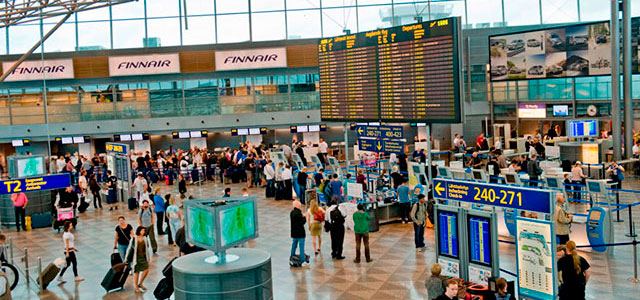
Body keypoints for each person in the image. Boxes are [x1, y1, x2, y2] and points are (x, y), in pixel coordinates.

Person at [125, 226, 152, 293]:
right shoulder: (134, 239)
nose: (143, 232)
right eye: (142, 230)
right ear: (139, 231)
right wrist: (126, 258)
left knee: (146, 270)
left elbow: (147, 249)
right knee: (137, 272)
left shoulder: (145, 238)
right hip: (136, 258)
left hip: (143, 257)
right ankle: (136, 287)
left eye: (144, 231)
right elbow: (129, 249)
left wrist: (148, 258)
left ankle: (140, 283)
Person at [290, 201, 309, 267]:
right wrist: (304, 217)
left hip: (294, 233)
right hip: (300, 234)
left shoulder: (292, 212)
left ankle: (292, 257)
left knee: (294, 246)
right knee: (301, 248)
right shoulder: (299, 214)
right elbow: (302, 222)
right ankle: (302, 261)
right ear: (298, 206)